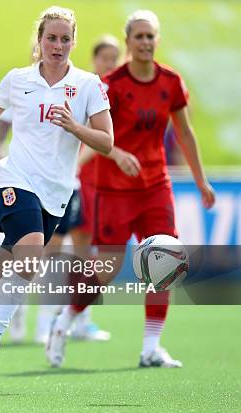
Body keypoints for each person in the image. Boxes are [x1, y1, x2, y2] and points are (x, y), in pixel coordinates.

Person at [0, 6, 113, 388]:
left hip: (57, 192)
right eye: (51, 38)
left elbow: (107, 140)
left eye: (65, 39)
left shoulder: (88, 85)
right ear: (39, 40)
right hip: (15, 179)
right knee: (30, 257)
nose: (58, 45)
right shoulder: (18, 79)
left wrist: (75, 127)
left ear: (73, 42)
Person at [46, 10, 215, 369]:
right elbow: (96, 135)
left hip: (155, 186)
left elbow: (184, 133)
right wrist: (117, 153)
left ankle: (151, 347)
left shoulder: (171, 81)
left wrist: (201, 180)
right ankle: (65, 321)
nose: (145, 42)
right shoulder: (111, 85)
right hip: (113, 190)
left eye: (150, 36)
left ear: (157, 39)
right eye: (138, 36)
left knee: (165, 260)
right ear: (128, 42)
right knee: (107, 268)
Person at [9, 35, 121, 345]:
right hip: (66, 183)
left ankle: (82, 318)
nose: (110, 64)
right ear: (95, 59)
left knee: (85, 254)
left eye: (115, 58)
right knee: (51, 252)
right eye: (105, 58)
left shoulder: (105, 90)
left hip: (93, 187)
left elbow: (106, 139)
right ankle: (38, 319)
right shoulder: (80, 85)